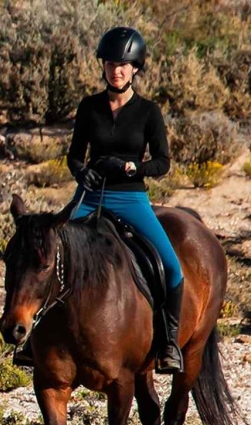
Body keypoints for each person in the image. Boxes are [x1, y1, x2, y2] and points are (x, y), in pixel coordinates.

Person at [54, 26, 184, 375]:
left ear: (136, 68)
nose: (117, 70)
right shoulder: (89, 107)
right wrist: (82, 174)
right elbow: (74, 156)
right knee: (53, 252)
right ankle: (40, 338)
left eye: (124, 65)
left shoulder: (148, 112)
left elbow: (163, 163)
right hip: (91, 195)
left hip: (130, 197)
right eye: (111, 64)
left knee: (172, 267)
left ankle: (169, 343)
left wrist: (134, 168)